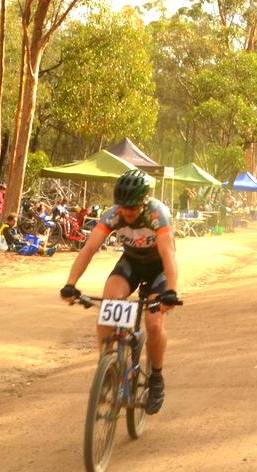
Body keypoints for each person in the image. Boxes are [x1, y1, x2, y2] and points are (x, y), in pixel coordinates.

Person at [61, 171, 181, 414]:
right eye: (124, 207)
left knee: (153, 321)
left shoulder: (157, 214)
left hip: (158, 268)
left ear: (144, 202)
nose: (127, 213)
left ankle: (156, 378)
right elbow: (90, 247)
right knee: (108, 307)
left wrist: (170, 291)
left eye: (133, 208)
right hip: (131, 264)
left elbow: (168, 255)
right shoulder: (113, 214)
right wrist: (71, 283)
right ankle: (107, 368)